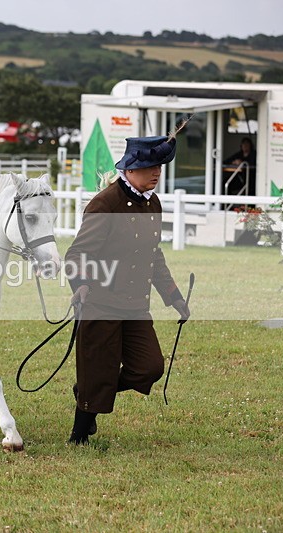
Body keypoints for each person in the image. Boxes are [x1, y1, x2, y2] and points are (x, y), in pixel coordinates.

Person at [64, 134, 191, 445]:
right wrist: (80, 285)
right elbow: (76, 254)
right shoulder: (105, 203)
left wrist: (174, 296)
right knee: (99, 371)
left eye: (159, 165)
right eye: (150, 166)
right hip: (101, 302)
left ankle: (91, 388)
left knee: (149, 368)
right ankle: (79, 435)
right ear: (131, 169)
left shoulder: (153, 203)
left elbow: (154, 254)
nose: (157, 171)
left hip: (136, 305)